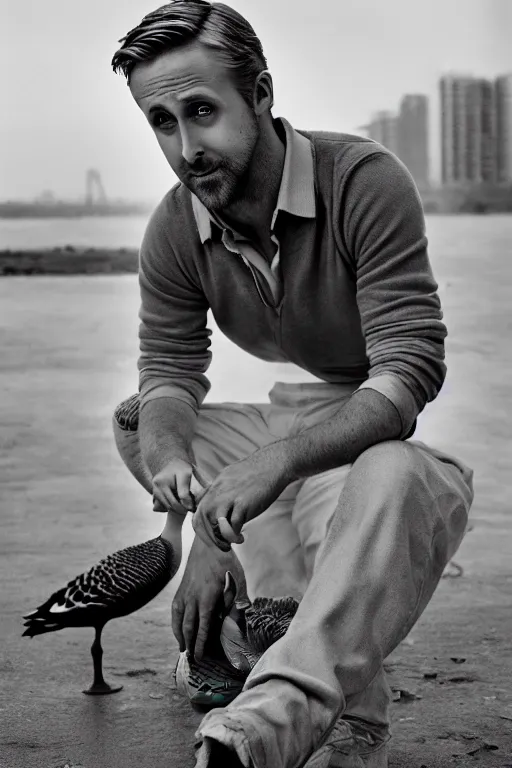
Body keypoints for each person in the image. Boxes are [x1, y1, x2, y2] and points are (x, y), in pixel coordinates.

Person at [110, 2, 474, 766]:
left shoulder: (362, 181)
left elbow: (410, 367)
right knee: (138, 420)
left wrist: (274, 464)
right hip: (286, 421)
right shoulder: (177, 227)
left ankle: (277, 713)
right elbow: (170, 371)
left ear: (263, 94)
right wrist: (195, 520)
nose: (185, 146)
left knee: (397, 473)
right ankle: (265, 620)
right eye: (162, 121)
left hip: (368, 422)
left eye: (202, 111)